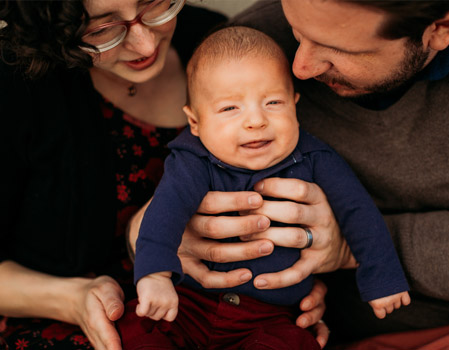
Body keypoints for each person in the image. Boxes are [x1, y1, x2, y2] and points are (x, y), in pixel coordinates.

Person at [0, 1, 332, 349]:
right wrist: (73, 298)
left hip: (228, 313)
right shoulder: (16, 86)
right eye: (101, 30)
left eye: (155, 5)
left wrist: (292, 285)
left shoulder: (214, 41)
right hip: (81, 316)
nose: (145, 44)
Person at [181, 0, 449, 347]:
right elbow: (186, 169)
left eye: (338, 48)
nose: (300, 68)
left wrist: (350, 245)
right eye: (297, 31)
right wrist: (150, 233)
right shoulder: (251, 48)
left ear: (442, 29)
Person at [118, 25, 410, 350]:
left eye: (273, 102)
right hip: (189, 304)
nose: (256, 120)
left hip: (269, 317)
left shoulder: (315, 158)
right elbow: (166, 210)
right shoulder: (192, 160)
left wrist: (382, 276)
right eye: (230, 108)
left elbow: (359, 212)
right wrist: (156, 276)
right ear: (195, 122)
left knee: (295, 344)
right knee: (134, 329)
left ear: (295, 104)